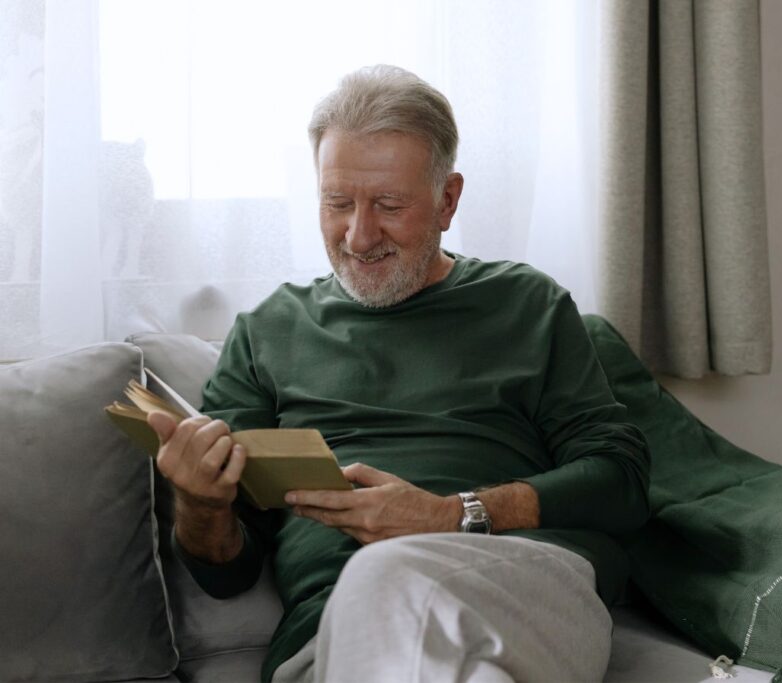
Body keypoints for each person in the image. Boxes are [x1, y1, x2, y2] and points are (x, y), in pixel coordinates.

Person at [147, 65, 651, 683]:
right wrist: (200, 503)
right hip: (335, 634)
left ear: (447, 200)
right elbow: (226, 572)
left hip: (518, 590)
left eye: (389, 205)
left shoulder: (527, 304)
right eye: (338, 204)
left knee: (389, 572)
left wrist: (450, 516)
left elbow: (621, 482)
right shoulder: (268, 331)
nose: (359, 236)